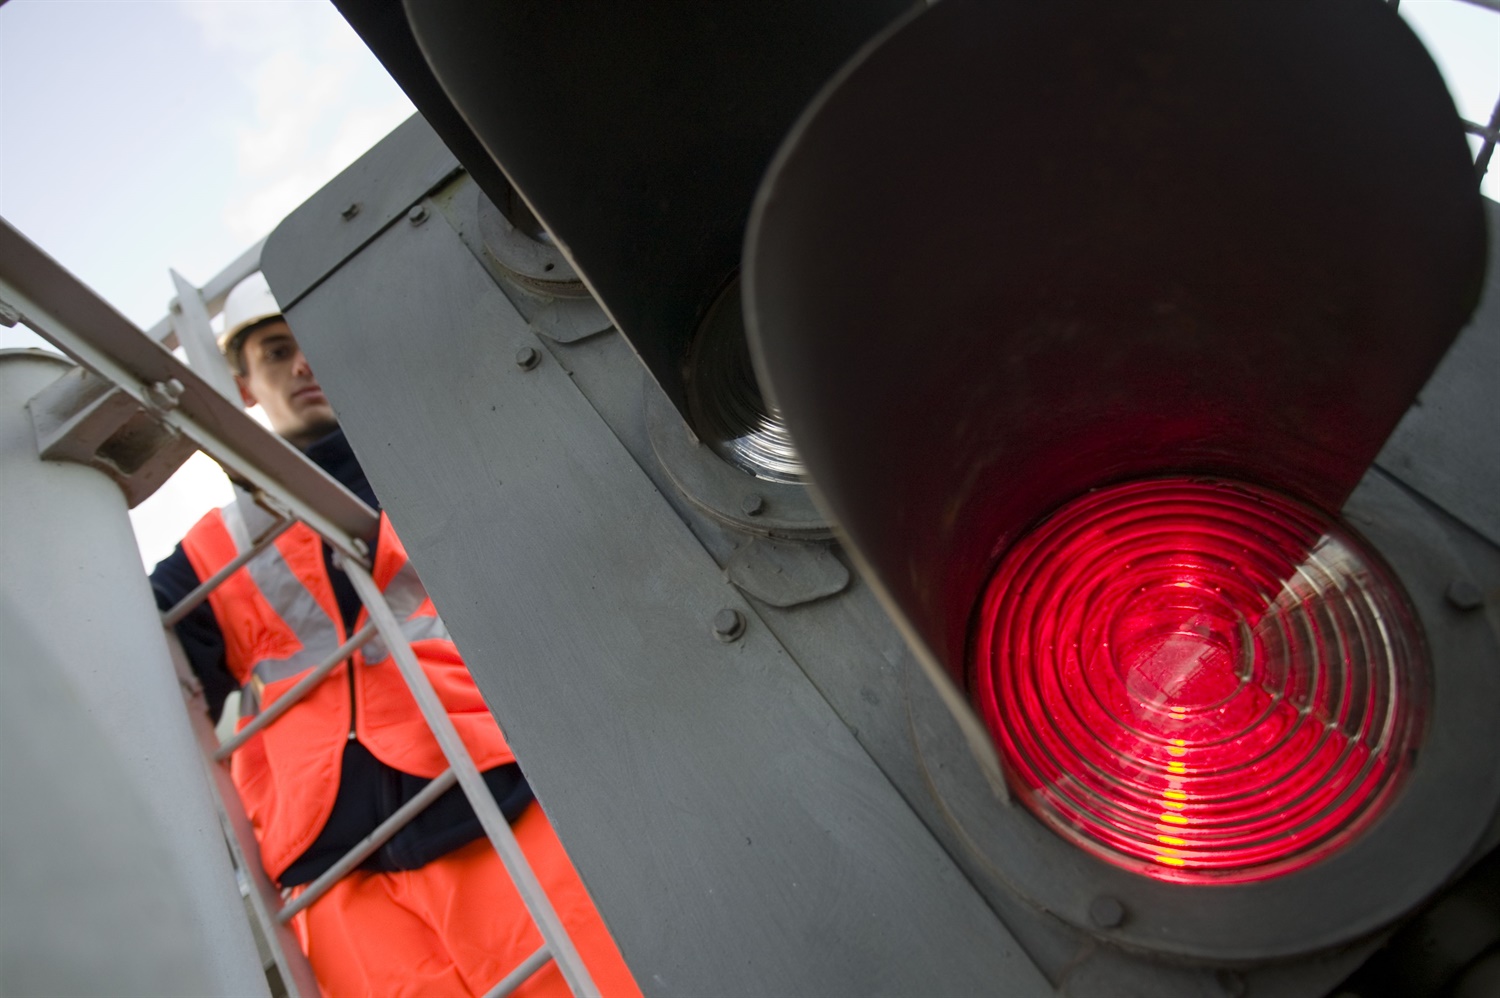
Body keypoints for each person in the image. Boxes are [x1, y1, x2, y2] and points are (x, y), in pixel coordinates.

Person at [151, 273, 638, 998]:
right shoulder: (211, 552)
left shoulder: (439, 462)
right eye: (279, 351)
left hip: (490, 794)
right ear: (245, 383)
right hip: (332, 871)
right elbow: (140, 675)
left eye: (315, 344)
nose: (304, 365)